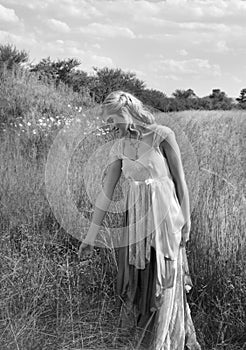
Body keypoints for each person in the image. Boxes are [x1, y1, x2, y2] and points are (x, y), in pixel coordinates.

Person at [79, 91, 201, 349]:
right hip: (135, 223)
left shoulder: (162, 135)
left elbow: (181, 183)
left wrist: (186, 224)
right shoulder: (118, 146)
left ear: (126, 111)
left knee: (165, 280)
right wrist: (90, 237)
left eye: (112, 120)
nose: (110, 127)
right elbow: (106, 193)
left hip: (166, 221)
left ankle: (164, 340)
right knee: (140, 281)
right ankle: (144, 340)